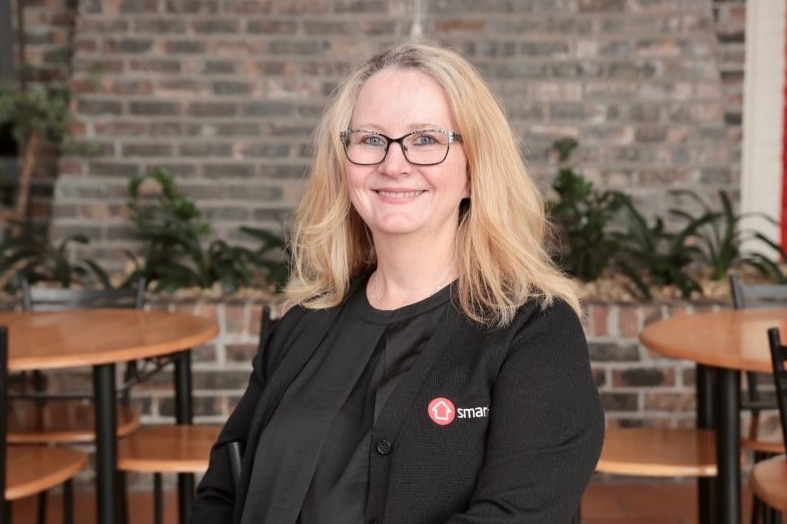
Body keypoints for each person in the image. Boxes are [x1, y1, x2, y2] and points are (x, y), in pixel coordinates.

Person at [190, 41, 604, 524]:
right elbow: (220, 494)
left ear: (474, 170)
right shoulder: (303, 324)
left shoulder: (534, 330)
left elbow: (518, 515)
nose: (393, 163)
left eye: (426, 139)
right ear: (344, 165)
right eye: (370, 139)